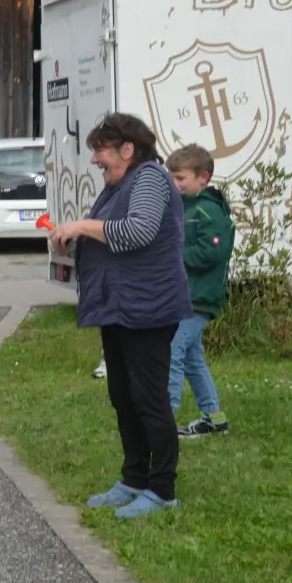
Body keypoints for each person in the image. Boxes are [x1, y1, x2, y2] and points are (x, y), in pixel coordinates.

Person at [48, 113, 193, 519]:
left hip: (148, 309)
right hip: (120, 309)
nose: (95, 160)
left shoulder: (148, 177)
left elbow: (137, 231)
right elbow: (110, 234)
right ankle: (134, 479)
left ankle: (163, 490)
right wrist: (74, 239)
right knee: (123, 397)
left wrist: (81, 225)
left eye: (100, 151)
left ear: (128, 149)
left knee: (149, 399)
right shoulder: (120, 182)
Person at [165, 144, 233, 438]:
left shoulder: (208, 211)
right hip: (183, 296)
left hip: (198, 298)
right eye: (172, 178)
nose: (175, 184)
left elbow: (212, 253)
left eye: (180, 179)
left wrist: (173, 253)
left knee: (172, 351)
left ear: (203, 178)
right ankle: (213, 417)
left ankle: (164, 419)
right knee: (192, 358)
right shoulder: (186, 207)